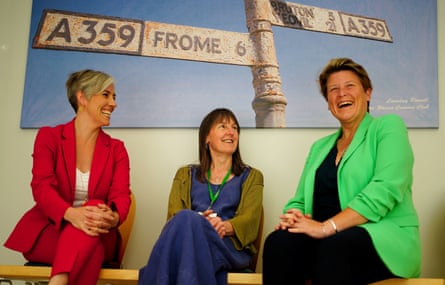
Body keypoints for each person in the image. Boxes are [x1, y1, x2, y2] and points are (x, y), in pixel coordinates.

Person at [262, 58, 421, 285]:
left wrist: (327, 227)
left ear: (368, 93)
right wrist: (293, 217)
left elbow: (386, 188)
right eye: (333, 90)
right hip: (323, 237)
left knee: (335, 247)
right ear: (328, 102)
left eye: (349, 86)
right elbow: (299, 199)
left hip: (380, 238)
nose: (341, 94)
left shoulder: (388, 127)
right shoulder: (319, 147)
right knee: (278, 242)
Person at [4, 69, 131, 285]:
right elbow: (41, 187)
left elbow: (121, 195)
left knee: (94, 207)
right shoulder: (49, 137)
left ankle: (58, 281)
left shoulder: (117, 149)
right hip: (52, 232)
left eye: (114, 97)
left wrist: (115, 217)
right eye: (106, 95)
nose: (113, 103)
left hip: (100, 231)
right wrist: (72, 214)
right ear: (82, 97)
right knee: (91, 246)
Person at [139, 108, 263, 285]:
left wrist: (224, 226)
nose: (231, 132)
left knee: (185, 244)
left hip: (225, 245)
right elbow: (174, 216)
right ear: (206, 137)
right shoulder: (185, 174)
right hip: (189, 239)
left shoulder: (252, 176)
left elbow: (251, 220)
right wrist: (200, 222)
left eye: (235, 128)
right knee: (186, 222)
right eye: (223, 126)